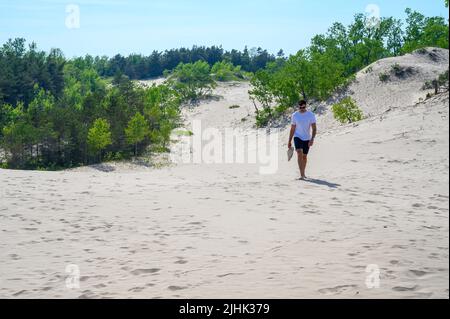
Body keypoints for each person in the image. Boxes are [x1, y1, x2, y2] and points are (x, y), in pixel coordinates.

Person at [288, 100, 317, 180]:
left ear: (306, 106)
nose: (302, 109)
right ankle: (302, 175)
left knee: (304, 156)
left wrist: (312, 139)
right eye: (300, 107)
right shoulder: (295, 115)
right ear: (298, 107)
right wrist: (289, 140)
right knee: (299, 153)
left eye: (303, 107)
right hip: (297, 137)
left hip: (307, 138)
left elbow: (314, 128)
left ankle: (303, 173)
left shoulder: (311, 115)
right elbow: (292, 128)